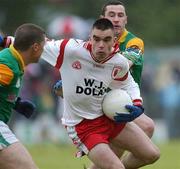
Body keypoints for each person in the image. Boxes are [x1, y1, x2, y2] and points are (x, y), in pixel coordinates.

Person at [42, 18, 160, 169]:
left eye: (106, 40)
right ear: (90, 38)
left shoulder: (118, 62)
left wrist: (137, 103)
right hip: (82, 126)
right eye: (96, 39)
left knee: (152, 154)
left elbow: (128, 83)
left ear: (114, 40)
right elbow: (34, 44)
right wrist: (5, 41)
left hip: (106, 118)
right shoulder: (70, 49)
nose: (101, 45)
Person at [100, 0, 155, 138]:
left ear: (126, 20)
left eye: (120, 15)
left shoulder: (134, 42)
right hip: (98, 103)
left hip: (123, 102)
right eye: (111, 15)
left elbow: (123, 64)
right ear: (102, 19)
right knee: (147, 127)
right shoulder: (93, 42)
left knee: (147, 128)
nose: (116, 19)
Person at [0, 23, 45, 169]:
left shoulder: (16, 54)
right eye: (43, 47)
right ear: (35, 48)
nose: (44, 51)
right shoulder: (8, 65)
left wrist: (14, 102)